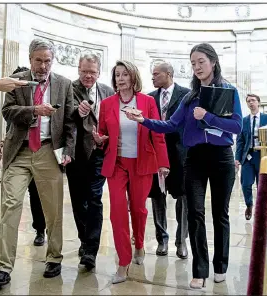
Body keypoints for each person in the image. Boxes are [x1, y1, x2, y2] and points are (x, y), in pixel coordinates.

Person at [126, 43, 243, 289]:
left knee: (220, 214)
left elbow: (236, 127)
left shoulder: (228, 90)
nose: (197, 67)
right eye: (193, 63)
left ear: (213, 62)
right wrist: (143, 120)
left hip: (221, 157)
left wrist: (208, 117)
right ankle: (199, 270)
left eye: (201, 61)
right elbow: (169, 125)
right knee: (195, 213)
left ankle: (220, 265)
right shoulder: (190, 97)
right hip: (195, 159)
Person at [0, 38, 76, 286]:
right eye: (38, 60)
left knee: (53, 210)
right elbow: (7, 111)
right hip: (20, 151)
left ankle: (54, 258)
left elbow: (70, 122)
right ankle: (3, 268)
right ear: (30, 60)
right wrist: (34, 110)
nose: (43, 65)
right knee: (11, 205)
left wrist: (68, 149)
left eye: (47, 60)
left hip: (49, 151)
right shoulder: (17, 80)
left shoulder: (64, 84)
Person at [92, 60, 170, 284]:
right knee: (117, 212)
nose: (120, 78)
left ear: (133, 77)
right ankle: (123, 263)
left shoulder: (147, 102)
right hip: (116, 164)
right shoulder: (107, 104)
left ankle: (139, 244)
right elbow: (103, 134)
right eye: (117, 75)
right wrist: (99, 140)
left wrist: (163, 163)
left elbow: (157, 133)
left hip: (142, 163)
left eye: (125, 74)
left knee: (138, 209)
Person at [65, 53, 114, 271]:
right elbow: (64, 118)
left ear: (98, 72)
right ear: (78, 69)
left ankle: (91, 250)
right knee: (78, 201)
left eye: (92, 72)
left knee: (95, 198)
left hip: (99, 153)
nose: (88, 76)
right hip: (76, 154)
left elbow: (114, 121)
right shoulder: (69, 88)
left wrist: (107, 138)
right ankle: (84, 239)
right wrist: (77, 112)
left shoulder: (107, 91)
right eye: (84, 71)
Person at [148, 62, 190, 258]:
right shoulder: (149, 97)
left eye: (156, 74)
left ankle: (181, 242)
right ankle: (161, 240)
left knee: (183, 197)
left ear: (168, 74)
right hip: (156, 155)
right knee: (157, 196)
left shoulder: (187, 95)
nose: (153, 77)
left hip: (180, 155)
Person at [9, 66, 47, 246]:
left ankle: (40, 229)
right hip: (19, 149)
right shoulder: (15, 95)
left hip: (41, 149)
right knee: (12, 199)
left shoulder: (44, 90)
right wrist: (32, 111)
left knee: (37, 194)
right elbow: (9, 116)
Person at [235, 94, 267, 220]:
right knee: (246, 183)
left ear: (258, 102)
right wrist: (237, 158)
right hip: (248, 155)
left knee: (262, 184)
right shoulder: (244, 120)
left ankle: (261, 208)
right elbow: (240, 140)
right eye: (248, 101)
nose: (251, 103)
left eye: (253, 100)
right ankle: (249, 205)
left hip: (263, 155)